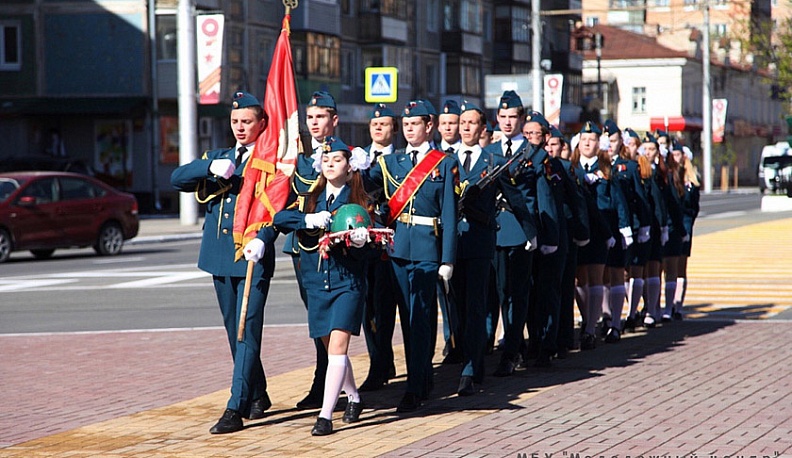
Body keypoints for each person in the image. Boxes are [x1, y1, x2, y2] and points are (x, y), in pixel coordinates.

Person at [170, 91, 274, 434]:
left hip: (251, 255)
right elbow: (178, 178)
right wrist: (208, 167)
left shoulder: (270, 161)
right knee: (234, 331)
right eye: (235, 122)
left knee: (247, 330)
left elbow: (278, 205)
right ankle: (258, 393)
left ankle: (235, 407)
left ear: (262, 123)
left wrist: (264, 239)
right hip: (218, 255)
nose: (240, 128)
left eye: (247, 121)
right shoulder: (218, 156)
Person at [364, 99, 458, 412]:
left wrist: (447, 258)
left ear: (429, 126)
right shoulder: (392, 162)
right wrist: (355, 164)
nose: (409, 129)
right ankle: (422, 377)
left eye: (415, 124)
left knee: (420, 316)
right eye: (405, 125)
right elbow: (365, 187)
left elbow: (449, 213)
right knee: (408, 316)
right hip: (399, 248)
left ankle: (415, 387)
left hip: (428, 248)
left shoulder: (443, 163)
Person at [274, 136, 371, 436]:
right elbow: (280, 218)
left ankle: (325, 416)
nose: (330, 164)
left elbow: (369, 249)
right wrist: (308, 219)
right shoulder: (309, 199)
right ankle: (354, 397)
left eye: (337, 160)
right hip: (316, 284)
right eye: (326, 160)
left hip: (346, 283)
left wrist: (360, 242)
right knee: (333, 352)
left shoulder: (359, 201)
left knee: (339, 347)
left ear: (350, 167)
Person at [451, 101, 527, 394]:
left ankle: (471, 370)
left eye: (472, 123)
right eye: (462, 123)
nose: (466, 128)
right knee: (458, 309)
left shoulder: (493, 161)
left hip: (480, 243)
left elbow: (514, 198)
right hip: (453, 243)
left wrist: (530, 232)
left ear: (483, 128)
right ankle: (469, 361)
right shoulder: (446, 160)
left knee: (476, 307)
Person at [283, 91, 340, 410]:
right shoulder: (300, 161)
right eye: (310, 117)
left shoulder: (347, 155)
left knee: (340, 319)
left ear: (334, 119)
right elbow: (286, 202)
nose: (314, 123)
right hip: (305, 246)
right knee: (317, 317)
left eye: (320, 117)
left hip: (339, 247)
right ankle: (323, 382)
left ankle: (345, 379)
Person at [482, 90, 539, 377]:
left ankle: (512, 350)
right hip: (493, 229)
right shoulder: (489, 152)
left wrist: (534, 232)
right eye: (502, 116)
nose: (507, 122)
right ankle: (500, 344)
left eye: (512, 117)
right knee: (497, 292)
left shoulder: (532, 153)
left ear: (522, 118)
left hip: (519, 230)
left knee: (517, 293)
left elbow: (538, 197)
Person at [359, 103, 407, 392]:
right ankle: (380, 360)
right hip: (363, 243)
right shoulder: (357, 158)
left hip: (391, 241)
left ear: (395, 129)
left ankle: (381, 364)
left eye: (385, 123)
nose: (378, 127)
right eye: (374, 124)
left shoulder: (402, 159)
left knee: (387, 305)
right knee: (368, 308)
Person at [570, 121, 630, 350]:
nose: (587, 144)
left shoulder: (607, 168)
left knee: (598, 276)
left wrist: (624, 227)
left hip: (601, 230)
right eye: (584, 140)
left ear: (598, 144)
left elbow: (618, 200)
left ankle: (590, 329)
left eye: (592, 140)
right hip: (579, 228)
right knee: (579, 279)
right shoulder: (572, 168)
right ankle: (588, 318)